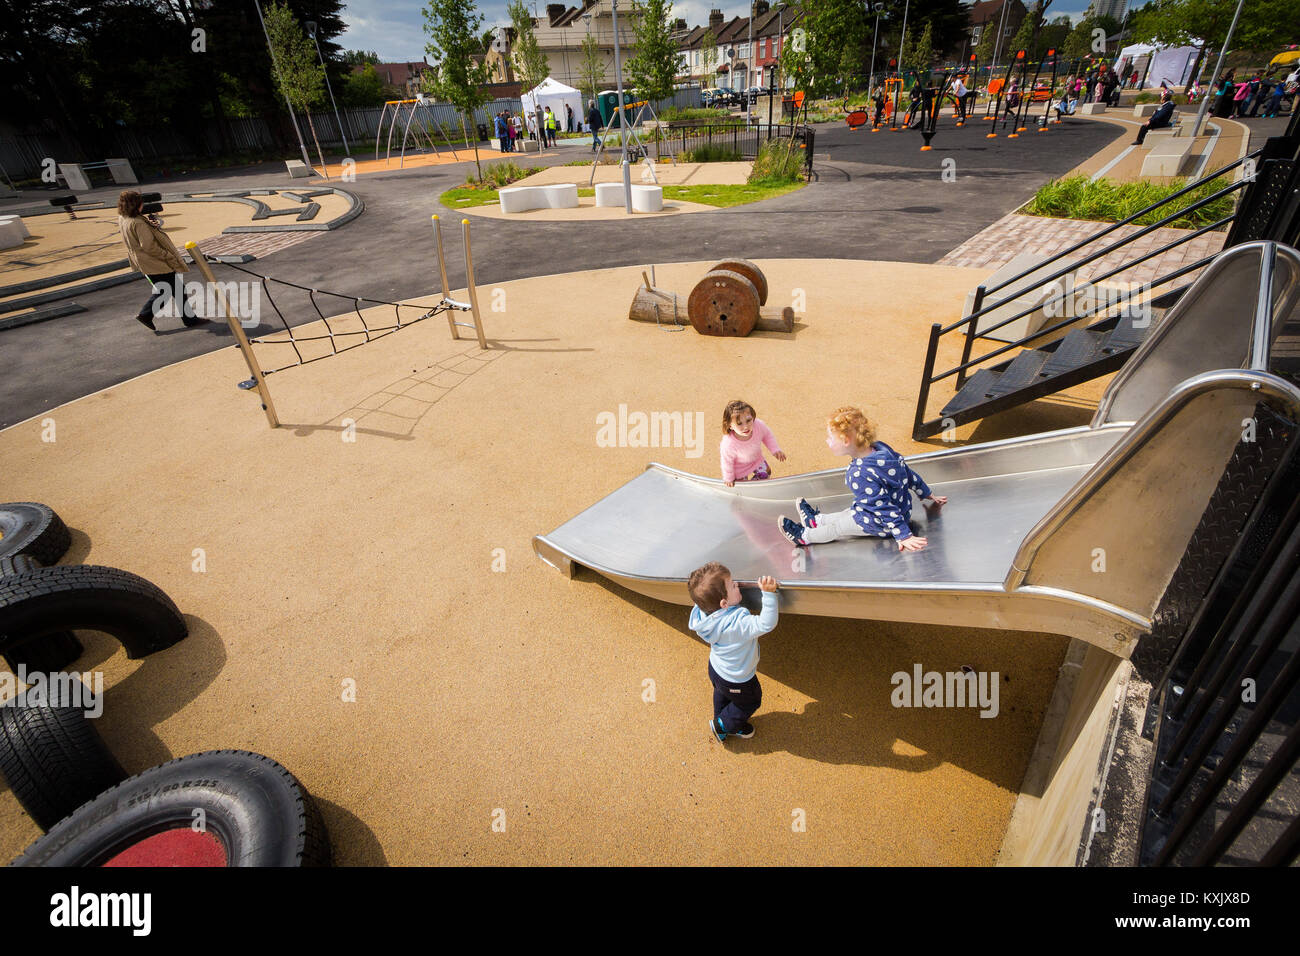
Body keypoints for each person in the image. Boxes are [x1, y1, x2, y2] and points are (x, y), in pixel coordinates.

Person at [778, 406, 947, 552]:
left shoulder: (858, 474)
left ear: (845, 441)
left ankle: (804, 536)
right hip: (901, 511)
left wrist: (904, 535)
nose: (827, 441)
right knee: (849, 512)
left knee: (837, 528)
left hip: (880, 522)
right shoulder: (883, 450)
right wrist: (926, 492)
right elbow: (907, 474)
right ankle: (815, 521)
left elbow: (883, 507)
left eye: (830, 437)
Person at [687, 562, 779, 743]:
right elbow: (766, 624)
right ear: (724, 603)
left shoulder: (704, 615)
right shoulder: (737, 624)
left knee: (722, 692)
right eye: (733, 585)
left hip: (716, 669)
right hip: (737, 678)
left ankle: (719, 716)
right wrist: (769, 594)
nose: (737, 584)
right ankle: (724, 725)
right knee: (750, 702)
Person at [117, 189, 209, 332]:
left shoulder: (124, 218)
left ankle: (151, 316)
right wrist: (167, 255)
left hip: (143, 261)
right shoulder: (138, 222)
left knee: (168, 290)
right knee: (172, 290)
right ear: (137, 204)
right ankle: (148, 315)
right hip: (155, 262)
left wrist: (151, 226)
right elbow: (148, 246)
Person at [720, 400, 786, 486]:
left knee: (766, 473)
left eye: (748, 420)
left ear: (753, 417)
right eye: (739, 423)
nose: (746, 427)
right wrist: (728, 478)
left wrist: (775, 449)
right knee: (742, 487)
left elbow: (767, 435)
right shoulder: (729, 444)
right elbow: (726, 462)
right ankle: (749, 490)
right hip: (739, 469)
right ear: (730, 426)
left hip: (756, 460)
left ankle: (755, 488)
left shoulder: (758, 425)